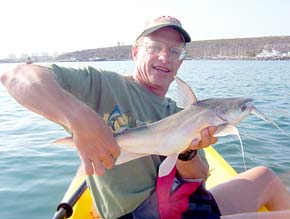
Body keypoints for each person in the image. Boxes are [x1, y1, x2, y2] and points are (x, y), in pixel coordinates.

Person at [1, 16, 290, 219]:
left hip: (181, 204)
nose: (165, 57)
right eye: (155, 47)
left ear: (181, 60)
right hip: (140, 214)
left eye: (175, 51)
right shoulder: (101, 86)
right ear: (136, 51)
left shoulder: (178, 112)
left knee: (265, 175)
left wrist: (188, 152)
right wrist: (79, 117)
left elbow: (201, 176)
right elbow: (15, 75)